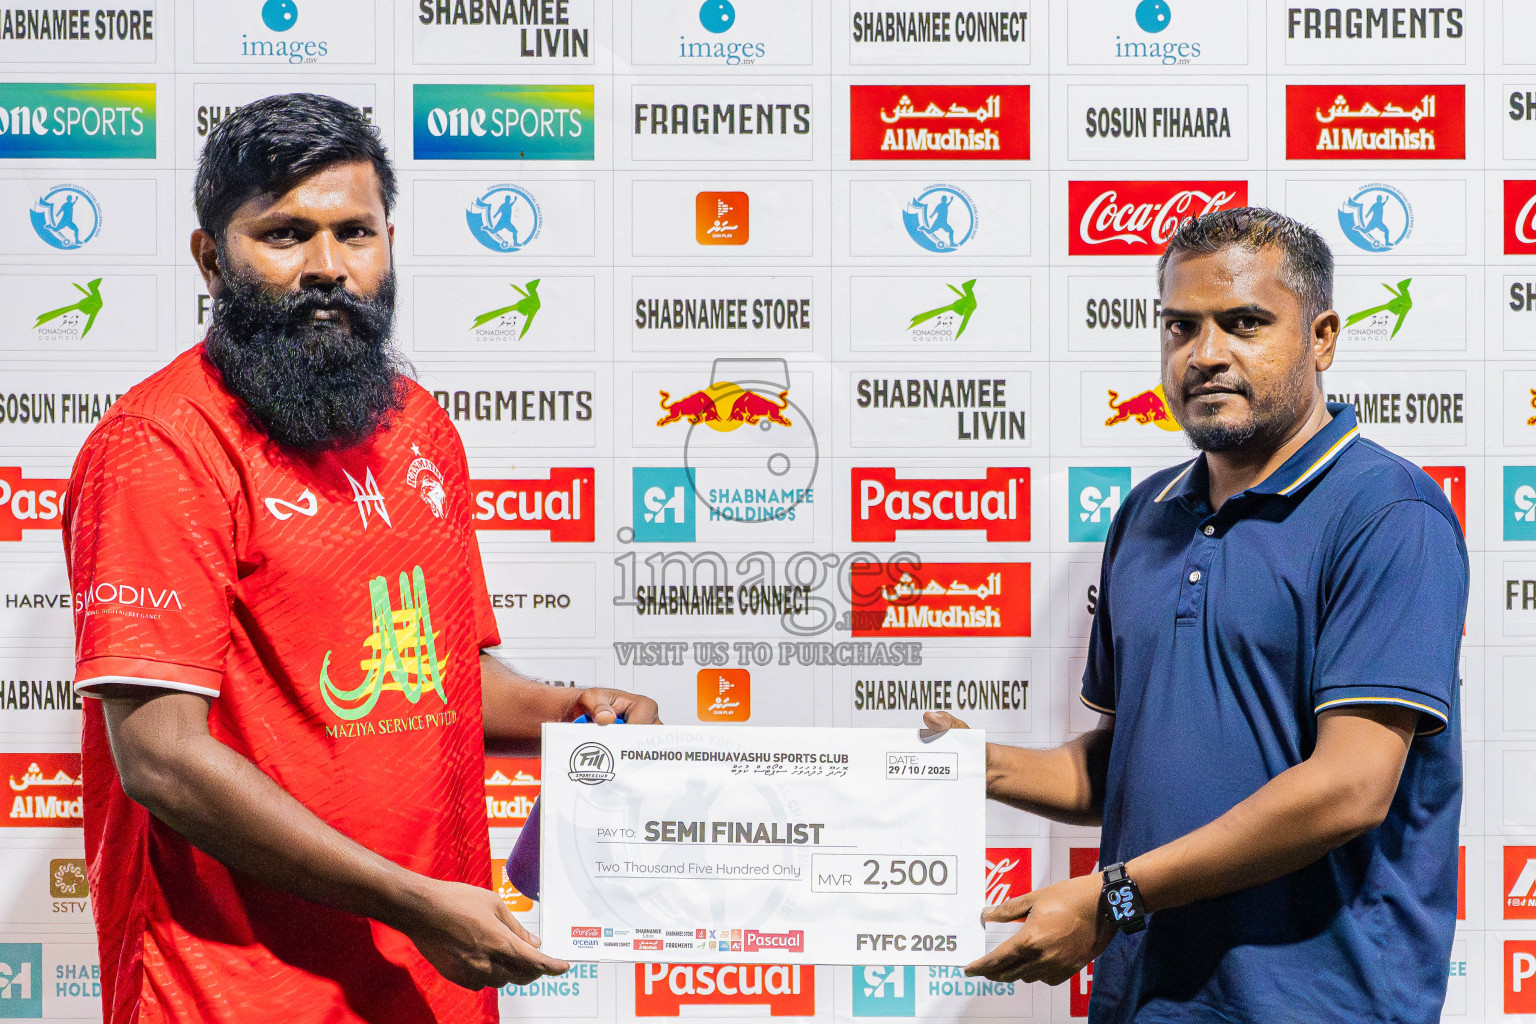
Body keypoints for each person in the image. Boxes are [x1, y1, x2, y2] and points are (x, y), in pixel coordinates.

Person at [62, 93, 659, 1024]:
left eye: (356, 232)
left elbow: (432, 678)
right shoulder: (161, 445)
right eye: (285, 234)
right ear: (211, 256)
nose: (328, 268)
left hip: (428, 984)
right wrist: (412, 902)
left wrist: (564, 714)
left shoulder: (418, 428)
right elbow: (161, 759)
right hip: (231, 994)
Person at [926, 208, 1466, 1023]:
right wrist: (972, 768)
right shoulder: (1146, 513)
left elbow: (1348, 787)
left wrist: (1111, 898)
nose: (1206, 354)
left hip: (1324, 1005)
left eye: (1245, 323)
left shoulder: (1389, 512)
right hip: (1148, 998)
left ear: (1322, 337)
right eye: (1182, 327)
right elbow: (1127, 770)